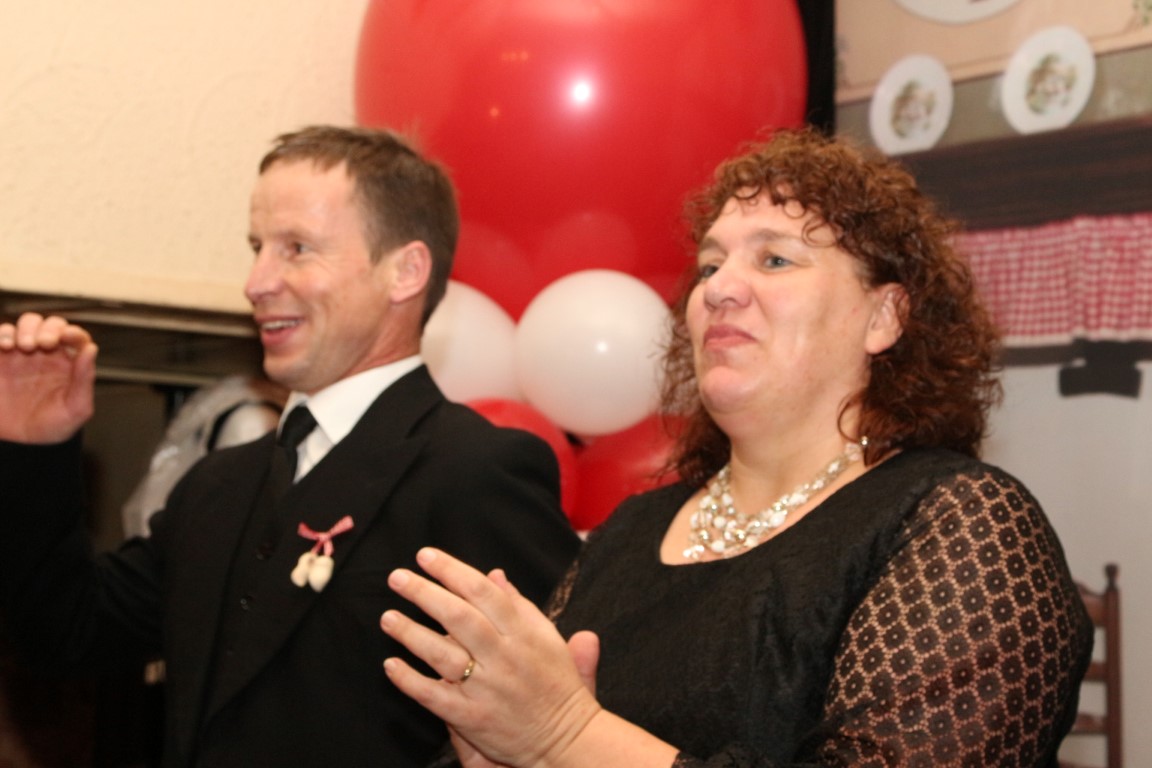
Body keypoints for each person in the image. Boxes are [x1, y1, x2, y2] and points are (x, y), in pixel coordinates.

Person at [377, 127, 1094, 767]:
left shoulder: (963, 520)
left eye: (775, 260)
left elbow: (557, 731)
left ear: (883, 316)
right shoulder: (630, 530)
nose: (720, 289)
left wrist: (567, 737)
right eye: (709, 266)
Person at [0, 125, 581, 768]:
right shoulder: (216, 486)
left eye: (297, 248)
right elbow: (64, 633)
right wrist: (35, 448)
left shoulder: (476, 472)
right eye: (257, 248)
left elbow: (558, 727)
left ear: (405, 272)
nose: (256, 282)